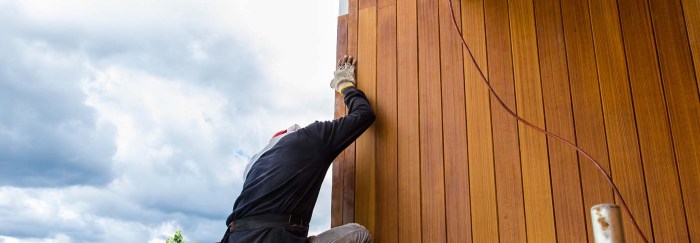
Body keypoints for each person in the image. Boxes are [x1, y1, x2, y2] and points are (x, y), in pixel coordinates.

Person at [220, 55, 375, 243]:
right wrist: (345, 85)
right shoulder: (310, 137)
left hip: (235, 238)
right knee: (358, 233)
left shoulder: (253, 165)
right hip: (276, 238)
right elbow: (363, 114)